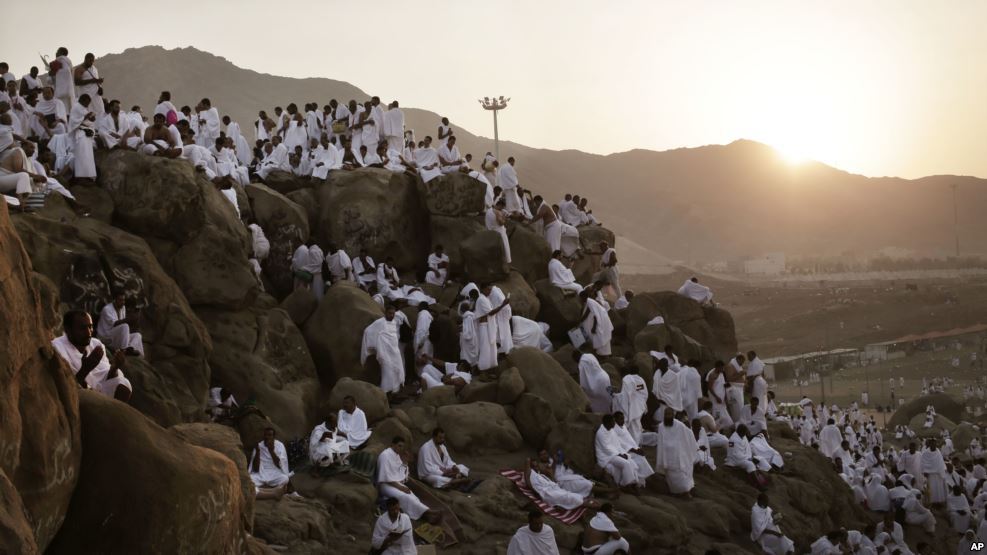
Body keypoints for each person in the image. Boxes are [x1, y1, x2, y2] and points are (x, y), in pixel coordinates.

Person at [51, 310, 132, 401]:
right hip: (77, 397)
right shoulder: (57, 347)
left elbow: (105, 379)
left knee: (123, 383)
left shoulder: (96, 344)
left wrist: (115, 367)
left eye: (90, 327)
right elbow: (66, 387)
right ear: (68, 330)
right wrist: (85, 369)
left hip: (97, 392)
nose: (89, 332)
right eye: (82, 328)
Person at [377, 437, 436, 522]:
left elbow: (400, 475)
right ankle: (429, 511)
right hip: (385, 485)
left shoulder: (396, 455)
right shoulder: (385, 455)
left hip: (395, 484)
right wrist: (400, 488)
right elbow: (386, 477)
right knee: (404, 496)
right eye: (399, 446)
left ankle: (426, 514)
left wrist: (405, 462)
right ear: (392, 445)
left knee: (411, 495)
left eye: (402, 447)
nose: (401, 449)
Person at [595, 414, 646, 490]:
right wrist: (619, 455)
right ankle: (626, 485)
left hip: (615, 454)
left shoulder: (611, 430)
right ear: (607, 423)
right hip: (606, 457)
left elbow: (617, 444)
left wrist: (623, 453)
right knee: (626, 464)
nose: (614, 424)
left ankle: (634, 483)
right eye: (613, 422)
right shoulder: (600, 433)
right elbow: (606, 449)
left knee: (631, 462)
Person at [361, 306, 405, 395]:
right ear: (386, 313)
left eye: (393, 313)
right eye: (390, 313)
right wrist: (374, 345)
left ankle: (393, 394)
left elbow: (395, 336)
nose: (392, 315)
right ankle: (385, 394)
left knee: (397, 373)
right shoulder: (380, 322)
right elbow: (368, 331)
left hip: (395, 353)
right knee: (387, 374)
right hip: (385, 354)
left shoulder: (394, 322)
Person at [655, 410, 698, 496]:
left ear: (673, 415)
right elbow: (660, 443)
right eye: (666, 414)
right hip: (667, 455)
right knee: (671, 476)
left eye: (670, 414)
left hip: (679, 455)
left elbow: (688, 434)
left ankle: (686, 491)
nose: (668, 416)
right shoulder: (660, 426)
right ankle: (675, 491)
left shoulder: (680, 425)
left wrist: (689, 428)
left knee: (682, 474)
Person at [96, 292, 144, 357]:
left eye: (124, 300)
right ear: (114, 300)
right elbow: (116, 324)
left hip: (116, 337)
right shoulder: (107, 309)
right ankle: (124, 351)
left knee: (137, 335)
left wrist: (134, 319)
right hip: (106, 337)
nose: (123, 302)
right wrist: (130, 319)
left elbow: (122, 327)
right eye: (120, 300)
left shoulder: (122, 308)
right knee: (125, 326)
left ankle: (132, 351)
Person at [475, 283, 509, 371]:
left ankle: (490, 368)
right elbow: (490, 313)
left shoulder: (486, 299)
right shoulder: (481, 299)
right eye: (488, 289)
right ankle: (482, 370)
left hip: (489, 327)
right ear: (482, 289)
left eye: (490, 289)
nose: (489, 291)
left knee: (492, 349)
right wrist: (503, 305)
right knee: (485, 349)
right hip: (484, 327)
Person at [612, 366, 649, 444]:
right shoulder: (641, 380)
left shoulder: (627, 379)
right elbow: (644, 393)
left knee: (632, 430)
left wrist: (614, 396)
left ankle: (634, 447)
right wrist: (641, 404)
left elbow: (625, 396)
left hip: (631, 408)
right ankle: (636, 446)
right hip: (639, 407)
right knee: (637, 428)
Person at [69, 94, 97, 181]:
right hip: (81, 133)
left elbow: (88, 120)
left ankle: (89, 175)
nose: (88, 105)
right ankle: (81, 176)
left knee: (88, 156)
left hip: (87, 133)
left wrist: (92, 118)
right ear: (83, 100)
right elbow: (74, 121)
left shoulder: (83, 108)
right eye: (87, 102)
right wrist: (86, 116)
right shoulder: (76, 107)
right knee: (82, 155)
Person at [581, 289, 614, 356]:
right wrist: (579, 321)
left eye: (581, 298)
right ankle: (602, 353)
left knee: (600, 337)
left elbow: (596, 316)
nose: (580, 299)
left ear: (584, 297)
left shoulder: (589, 302)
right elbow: (587, 313)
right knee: (600, 337)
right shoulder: (589, 302)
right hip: (602, 319)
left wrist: (594, 327)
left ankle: (604, 354)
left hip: (601, 321)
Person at [485, 198, 512, 264]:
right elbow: (501, 223)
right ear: (500, 205)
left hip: (489, 231)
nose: (502, 208)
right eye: (502, 207)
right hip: (499, 232)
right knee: (505, 248)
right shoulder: (498, 212)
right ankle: (507, 262)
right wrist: (505, 217)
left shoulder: (489, 210)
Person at [52, 47, 75, 112]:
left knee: (60, 110)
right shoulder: (69, 63)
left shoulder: (60, 59)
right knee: (68, 109)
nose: (56, 53)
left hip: (60, 90)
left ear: (61, 53)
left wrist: (51, 73)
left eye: (57, 51)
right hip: (68, 89)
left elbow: (55, 75)